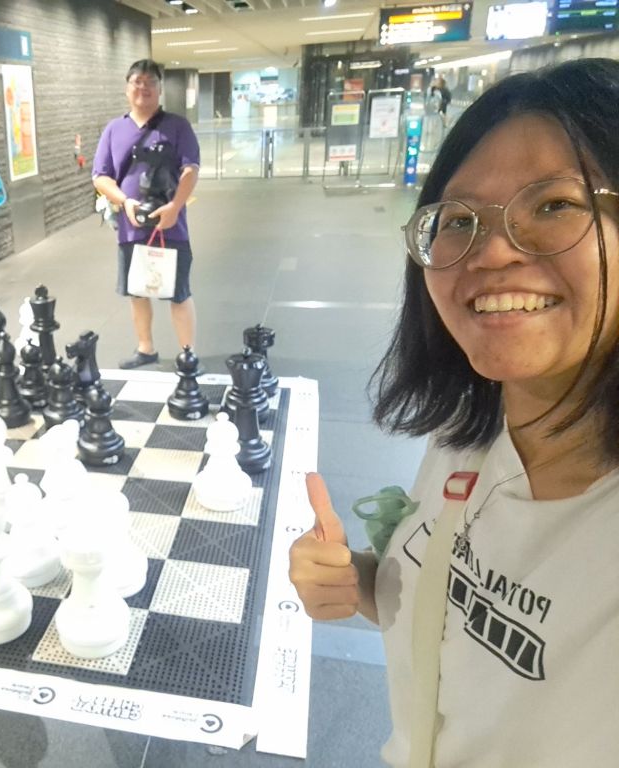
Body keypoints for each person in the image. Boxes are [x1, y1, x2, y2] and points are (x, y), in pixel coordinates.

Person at [289, 58, 619, 767]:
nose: (492, 251)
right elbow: (449, 605)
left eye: (555, 205)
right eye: (459, 219)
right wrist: (360, 579)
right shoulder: (470, 430)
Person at [92, 59, 200, 369]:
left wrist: (175, 207)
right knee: (137, 292)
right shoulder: (114, 129)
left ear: (160, 89)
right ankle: (145, 348)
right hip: (131, 226)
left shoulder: (178, 126)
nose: (144, 87)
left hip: (171, 225)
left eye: (150, 82)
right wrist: (125, 202)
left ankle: (188, 354)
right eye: (137, 82)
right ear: (127, 88)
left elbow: (191, 169)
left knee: (179, 292)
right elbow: (100, 176)